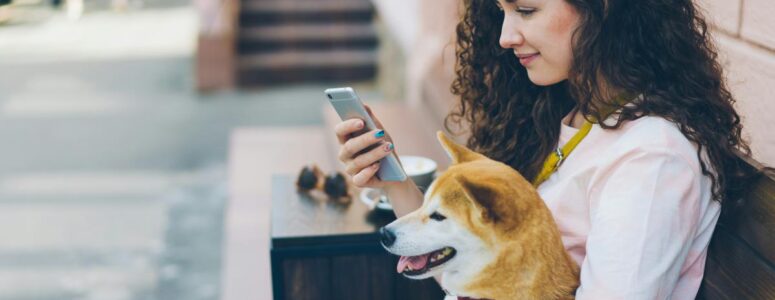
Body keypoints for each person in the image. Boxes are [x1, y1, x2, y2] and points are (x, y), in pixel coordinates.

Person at [334, 0, 757, 298]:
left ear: (602, 9)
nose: (504, 36)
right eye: (502, 11)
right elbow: (489, 274)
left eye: (526, 10)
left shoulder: (652, 159)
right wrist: (389, 178)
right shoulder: (575, 117)